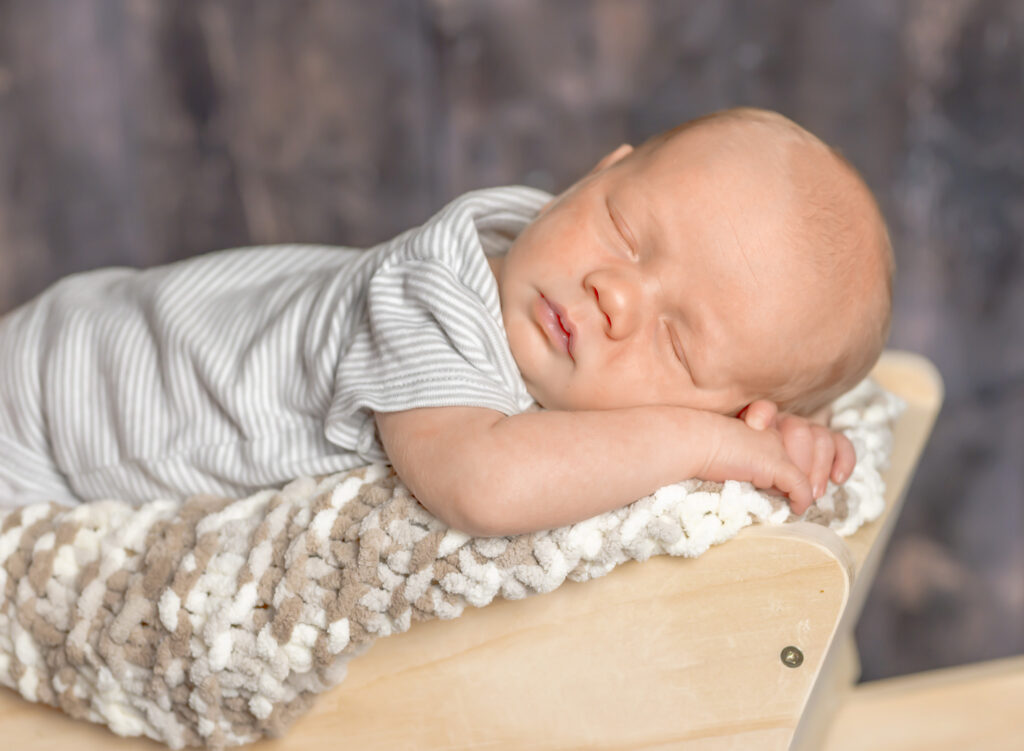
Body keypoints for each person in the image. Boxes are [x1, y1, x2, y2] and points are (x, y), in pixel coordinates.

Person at [0, 108, 892, 537]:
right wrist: (710, 445)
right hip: (42, 409)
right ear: (593, 174)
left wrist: (781, 437)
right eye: (624, 228)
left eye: (678, 340)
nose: (617, 293)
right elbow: (487, 484)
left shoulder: (551, 330)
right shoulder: (439, 297)